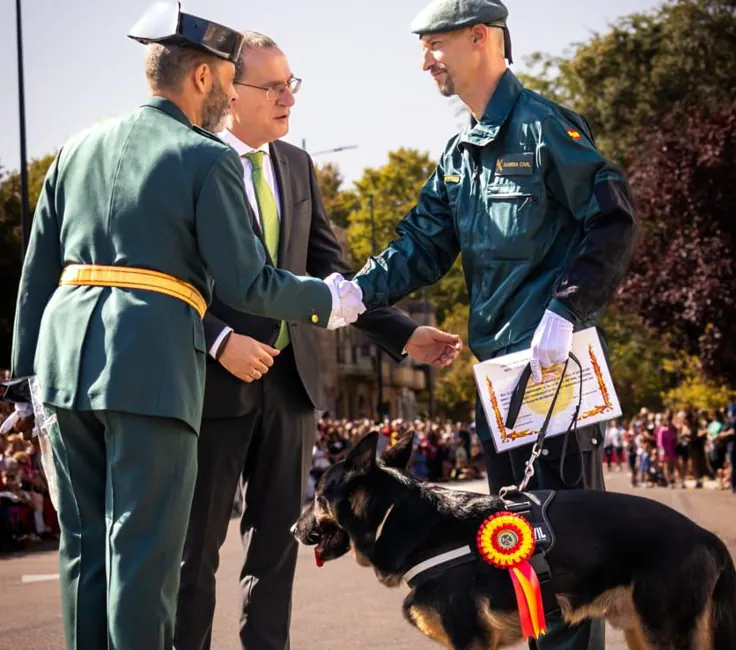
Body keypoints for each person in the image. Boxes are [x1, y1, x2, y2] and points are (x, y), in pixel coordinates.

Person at [8, 4, 366, 649]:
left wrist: (24, 381)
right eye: (230, 79)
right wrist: (330, 301)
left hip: (63, 369)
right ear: (202, 78)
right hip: (149, 365)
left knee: (85, 550)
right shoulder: (206, 158)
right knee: (146, 553)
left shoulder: (76, 149)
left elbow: (36, 275)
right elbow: (248, 282)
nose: (232, 94)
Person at [348, 1, 638, 648]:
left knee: (563, 555)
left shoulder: (544, 129)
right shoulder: (463, 152)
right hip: (499, 381)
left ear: (480, 38)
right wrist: (352, 290)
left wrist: (567, 308)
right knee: (519, 560)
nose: (425, 60)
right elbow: (420, 247)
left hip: (552, 374)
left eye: (434, 45)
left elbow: (614, 219)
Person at [173, 31, 462, 650]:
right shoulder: (186, 159)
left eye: (291, 83)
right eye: (272, 86)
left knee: (279, 546)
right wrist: (218, 339)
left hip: (292, 384)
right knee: (194, 551)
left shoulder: (297, 165)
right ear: (228, 89)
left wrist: (403, 335)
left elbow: (333, 273)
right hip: (212, 381)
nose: (288, 98)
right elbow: (161, 280)